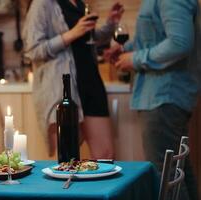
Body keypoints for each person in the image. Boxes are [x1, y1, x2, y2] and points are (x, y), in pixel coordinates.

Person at [105, 0, 200, 199]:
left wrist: (136, 58)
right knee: (179, 172)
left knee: (167, 176)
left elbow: (180, 42)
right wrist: (127, 49)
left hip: (163, 96)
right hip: (162, 96)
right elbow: (154, 38)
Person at [23, 0, 124, 159]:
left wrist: (110, 23)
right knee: (66, 158)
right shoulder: (42, 4)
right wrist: (71, 34)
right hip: (63, 88)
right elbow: (32, 50)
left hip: (91, 82)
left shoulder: (79, 3)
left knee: (106, 155)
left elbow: (89, 38)